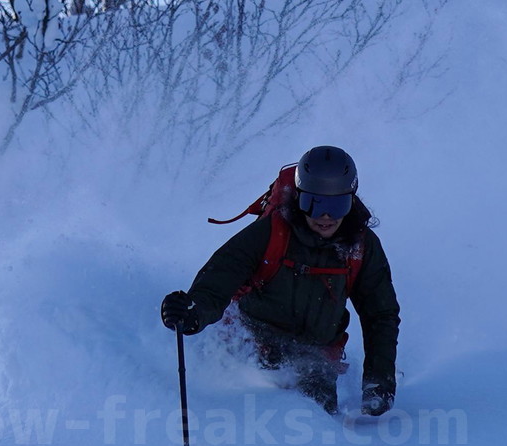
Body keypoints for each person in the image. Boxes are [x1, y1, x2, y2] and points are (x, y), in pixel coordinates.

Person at [161, 145, 400, 417]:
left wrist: (379, 381)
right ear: (299, 198)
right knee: (252, 415)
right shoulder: (271, 232)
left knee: (316, 426)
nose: (325, 216)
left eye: (337, 205)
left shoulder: (360, 247)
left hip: (315, 359)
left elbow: (380, 314)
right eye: (314, 203)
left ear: (351, 201)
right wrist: (193, 312)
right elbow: (221, 276)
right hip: (253, 342)